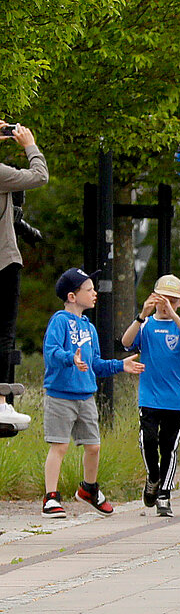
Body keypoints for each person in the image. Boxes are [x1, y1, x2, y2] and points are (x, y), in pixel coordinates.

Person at [41, 269, 145, 517]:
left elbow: (96, 364)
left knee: (93, 446)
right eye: (88, 289)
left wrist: (121, 365)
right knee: (60, 446)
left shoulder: (89, 328)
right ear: (72, 296)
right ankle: (50, 498)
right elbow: (51, 352)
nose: (94, 293)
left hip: (86, 396)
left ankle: (89, 489)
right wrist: (70, 358)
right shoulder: (59, 321)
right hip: (60, 395)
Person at [122, 275, 180, 517]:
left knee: (169, 447)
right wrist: (141, 314)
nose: (165, 304)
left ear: (179, 302)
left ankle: (164, 494)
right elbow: (125, 342)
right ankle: (153, 478)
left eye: (172, 301)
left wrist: (174, 316)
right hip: (150, 396)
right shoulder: (146, 325)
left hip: (174, 399)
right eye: (162, 299)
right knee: (148, 440)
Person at [0, 122, 48, 419]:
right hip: (3, 261)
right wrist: (29, 144)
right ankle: (1, 403)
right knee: (4, 334)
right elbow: (39, 176)